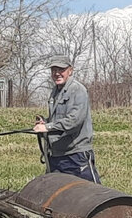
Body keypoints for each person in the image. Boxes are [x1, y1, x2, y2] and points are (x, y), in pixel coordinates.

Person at [32, 54, 101, 183]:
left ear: (70, 70)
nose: (57, 73)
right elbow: (58, 119)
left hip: (76, 155)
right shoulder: (55, 92)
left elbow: (74, 121)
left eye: (61, 70)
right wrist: (45, 122)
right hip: (57, 155)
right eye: (54, 70)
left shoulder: (78, 90)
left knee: (93, 194)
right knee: (58, 197)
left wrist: (47, 127)